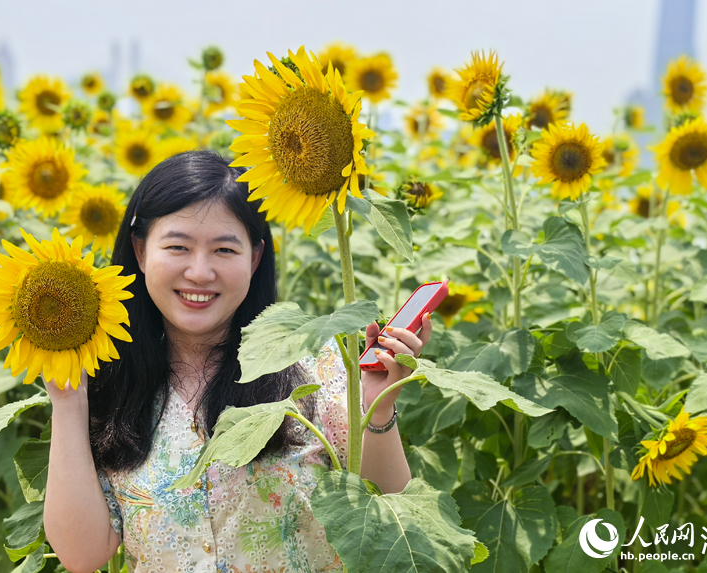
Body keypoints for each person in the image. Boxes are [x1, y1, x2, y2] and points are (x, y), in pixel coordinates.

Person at [42, 149, 433, 573]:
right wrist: (66, 402)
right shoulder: (112, 381)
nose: (199, 272)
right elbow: (83, 554)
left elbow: (388, 510)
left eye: (224, 251)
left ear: (255, 257)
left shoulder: (314, 367)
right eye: (178, 246)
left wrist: (376, 404)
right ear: (140, 252)